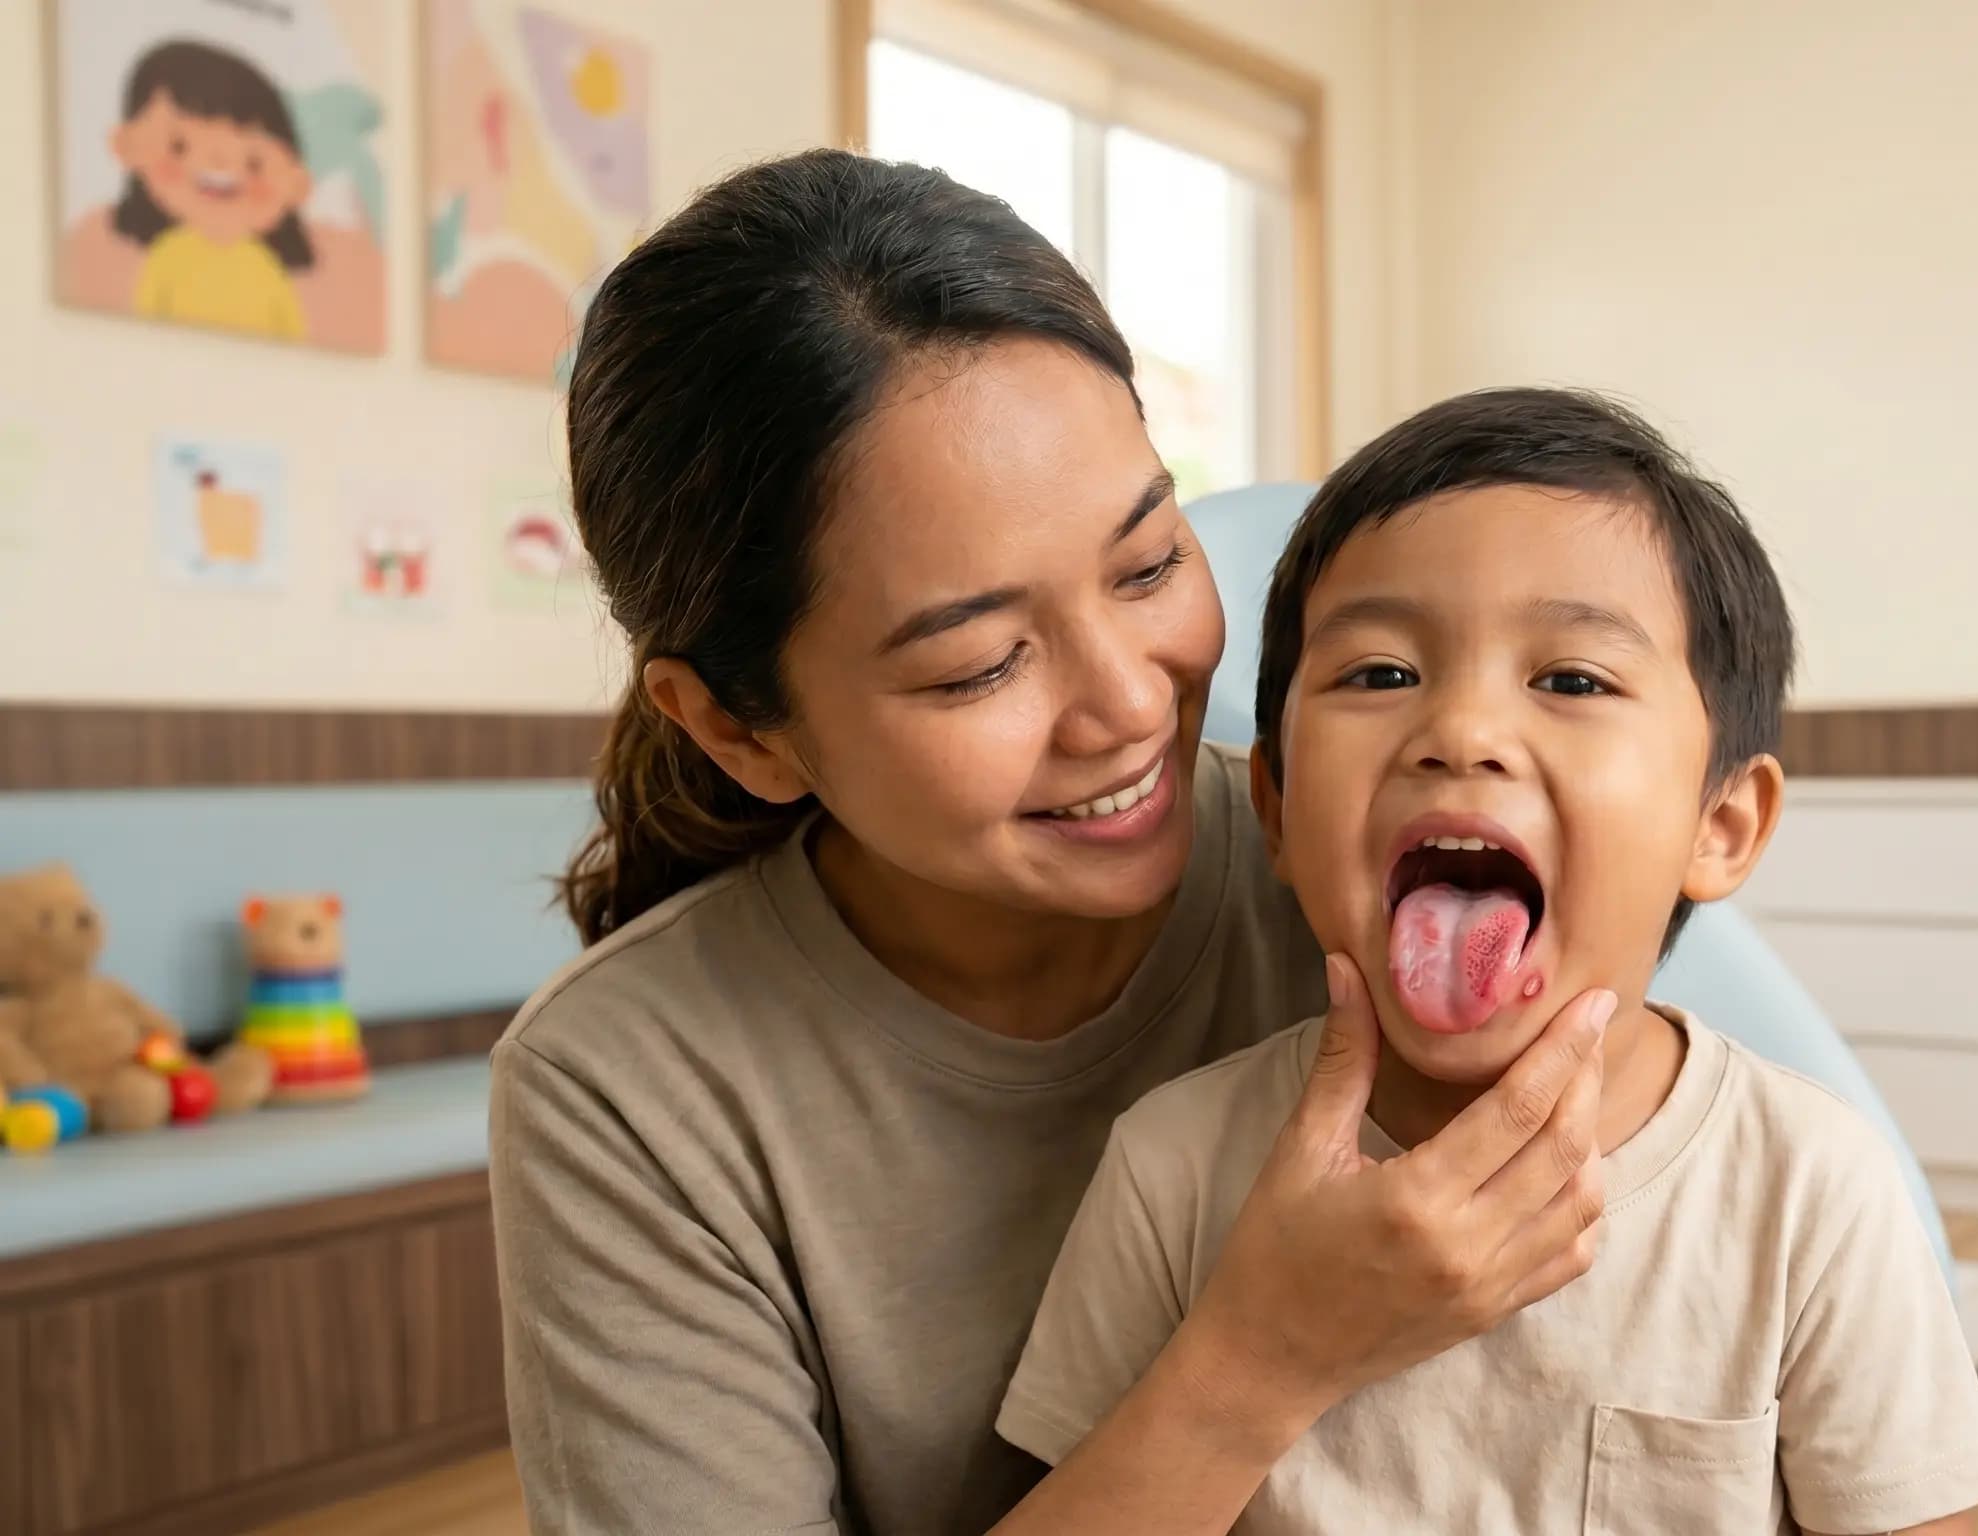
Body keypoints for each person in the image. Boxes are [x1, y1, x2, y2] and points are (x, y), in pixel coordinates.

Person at [489, 151, 1617, 1535]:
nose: (1132, 702)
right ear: (738, 728)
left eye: (1150, 564)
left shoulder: (1379, 876)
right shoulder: (627, 1090)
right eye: (976, 664)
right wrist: (1261, 1361)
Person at [998, 389, 1978, 1533]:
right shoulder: (1175, 1172)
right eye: (1380, 675)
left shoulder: (1807, 1192)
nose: (1463, 731)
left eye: (1572, 680)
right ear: (1273, 807)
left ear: (1718, 826)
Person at [107, 39, 315, 340]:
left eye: (253, 163)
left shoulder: (266, 270)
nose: (219, 163)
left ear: (297, 184)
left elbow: (294, 338)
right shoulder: (169, 256)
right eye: (180, 147)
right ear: (127, 146)